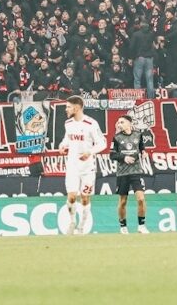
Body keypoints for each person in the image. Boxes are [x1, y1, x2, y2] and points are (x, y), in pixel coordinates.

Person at [58, 95, 107, 235]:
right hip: (72, 166)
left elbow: (102, 143)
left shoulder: (91, 124)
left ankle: (81, 226)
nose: (66, 109)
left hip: (87, 168)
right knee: (72, 196)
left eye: (68, 107)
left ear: (77, 107)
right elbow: (66, 140)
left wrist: (90, 152)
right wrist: (62, 146)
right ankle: (72, 221)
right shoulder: (68, 123)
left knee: (85, 198)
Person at [110, 114, 153, 233]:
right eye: (118, 122)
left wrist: (144, 153)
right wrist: (124, 158)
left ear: (129, 123)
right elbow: (112, 155)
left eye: (122, 122)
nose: (119, 124)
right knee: (123, 201)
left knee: (141, 199)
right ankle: (123, 227)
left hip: (136, 172)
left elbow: (141, 147)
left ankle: (141, 226)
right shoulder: (117, 138)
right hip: (123, 173)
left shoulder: (138, 135)